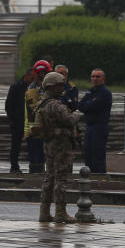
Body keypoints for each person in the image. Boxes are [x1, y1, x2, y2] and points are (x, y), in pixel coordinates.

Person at [32, 71, 82, 223]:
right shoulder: (56, 105)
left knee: (49, 177)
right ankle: (61, 212)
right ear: (52, 87)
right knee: (61, 178)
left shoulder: (42, 103)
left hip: (49, 143)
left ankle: (44, 211)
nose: (63, 89)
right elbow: (68, 120)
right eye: (60, 86)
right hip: (61, 144)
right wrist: (77, 115)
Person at [78, 68, 112, 174]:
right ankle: (89, 177)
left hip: (100, 126)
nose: (95, 78)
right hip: (90, 127)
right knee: (88, 154)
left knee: (98, 155)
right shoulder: (91, 91)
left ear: (103, 79)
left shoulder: (105, 92)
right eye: (93, 76)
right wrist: (90, 104)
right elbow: (81, 106)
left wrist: (89, 104)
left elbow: (95, 105)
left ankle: (99, 178)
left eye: (98, 76)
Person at [24, 60, 52, 173]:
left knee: (43, 156)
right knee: (36, 157)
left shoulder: (46, 87)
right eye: (46, 73)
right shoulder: (32, 88)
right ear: (40, 73)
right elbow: (34, 107)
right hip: (34, 129)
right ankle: (34, 178)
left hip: (44, 127)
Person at [6, 67, 34, 174]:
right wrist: (12, 119)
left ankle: (34, 165)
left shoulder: (34, 88)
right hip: (18, 121)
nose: (33, 80)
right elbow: (9, 105)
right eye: (31, 78)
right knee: (16, 145)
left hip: (30, 121)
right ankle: (14, 166)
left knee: (32, 145)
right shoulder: (16, 87)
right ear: (26, 76)